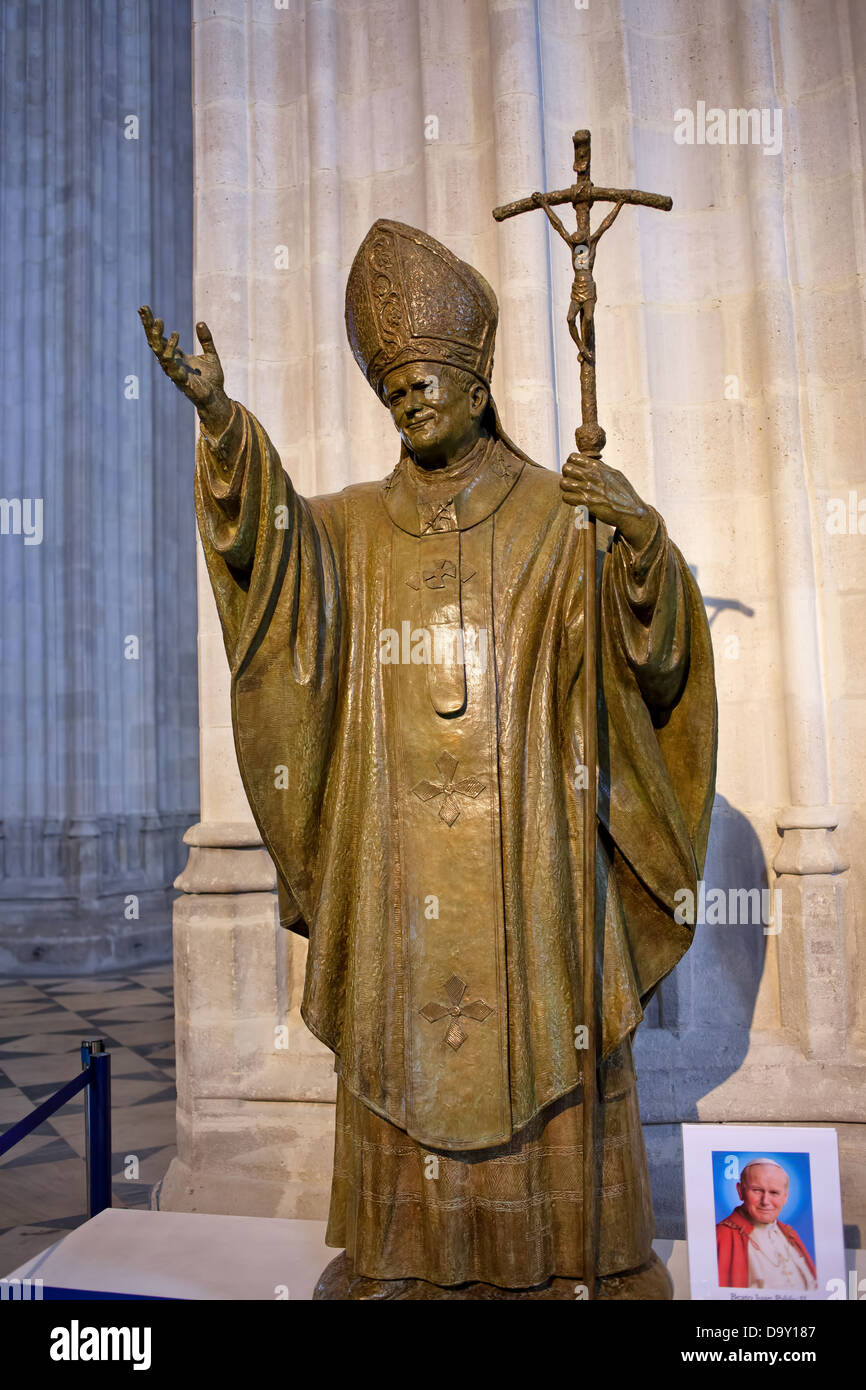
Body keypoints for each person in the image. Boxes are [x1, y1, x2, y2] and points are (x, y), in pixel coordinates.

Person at [140, 218, 717, 1299]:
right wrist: (222, 422)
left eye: (425, 383)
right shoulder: (355, 529)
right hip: (399, 861)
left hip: (532, 859)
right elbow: (272, 556)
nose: (407, 402)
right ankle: (411, 1261)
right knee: (407, 1057)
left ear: (477, 379)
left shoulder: (561, 515)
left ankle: (565, 1256)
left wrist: (636, 538)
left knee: (554, 1051)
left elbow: (649, 654)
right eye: (391, 389)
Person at [716, 1159, 818, 1290]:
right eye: (757, 1190)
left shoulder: (789, 1234)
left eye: (774, 1193)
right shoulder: (722, 1236)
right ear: (740, 1191)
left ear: (785, 1197)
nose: (765, 1201)